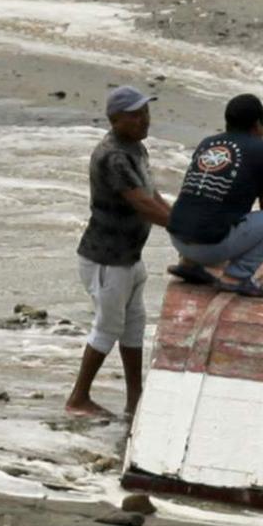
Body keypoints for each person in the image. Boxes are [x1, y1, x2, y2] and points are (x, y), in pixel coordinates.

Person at [68, 85, 176, 420]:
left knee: (133, 326)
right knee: (108, 328)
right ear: (115, 120)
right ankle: (78, 399)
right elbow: (142, 204)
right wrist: (184, 230)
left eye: (145, 112)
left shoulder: (136, 149)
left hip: (129, 256)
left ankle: (135, 400)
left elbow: (153, 195)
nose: (144, 119)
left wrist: (180, 220)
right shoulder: (114, 156)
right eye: (135, 114)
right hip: (106, 258)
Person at [163, 93, 263, 296]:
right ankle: (237, 276)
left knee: (203, 198)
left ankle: (188, 264)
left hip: (177, 238)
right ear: (258, 125)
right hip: (210, 247)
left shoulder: (208, 143)